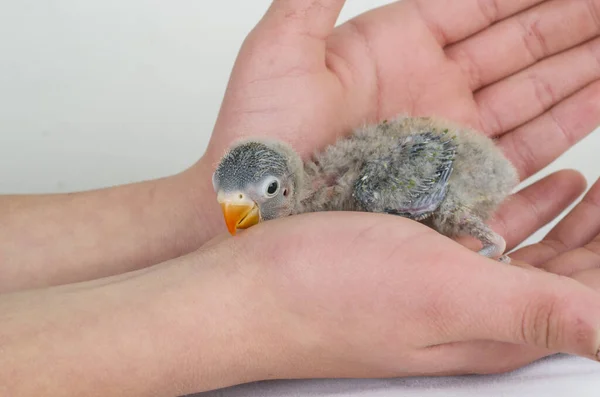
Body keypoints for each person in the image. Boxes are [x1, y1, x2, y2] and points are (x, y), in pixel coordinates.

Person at [1, 0, 600, 395]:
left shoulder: (360, 184)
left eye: (257, 197)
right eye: (223, 203)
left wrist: (190, 223)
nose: (235, 220)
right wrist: (262, 310)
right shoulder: (336, 188)